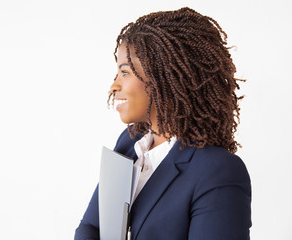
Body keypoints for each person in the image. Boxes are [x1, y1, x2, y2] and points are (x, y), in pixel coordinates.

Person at [75, 7, 251, 240]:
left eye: (125, 72)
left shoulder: (218, 171)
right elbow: (91, 228)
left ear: (161, 77)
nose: (114, 86)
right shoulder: (129, 144)